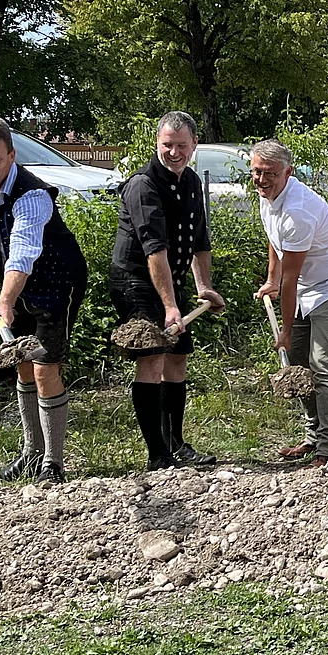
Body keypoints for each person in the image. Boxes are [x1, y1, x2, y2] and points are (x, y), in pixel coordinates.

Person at [0, 117, 88, 484]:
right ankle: (31, 454)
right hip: (14, 284)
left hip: (55, 282)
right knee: (21, 363)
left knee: (44, 367)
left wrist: (4, 297)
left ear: (12, 156)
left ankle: (53, 462)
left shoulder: (33, 195)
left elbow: (22, 251)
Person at [109, 111, 225, 471]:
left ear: (193, 146)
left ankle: (177, 443)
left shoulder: (189, 181)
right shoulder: (143, 185)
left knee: (177, 360)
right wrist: (170, 307)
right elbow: (153, 248)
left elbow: (199, 241)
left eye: (181, 146)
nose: (174, 152)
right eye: (167, 145)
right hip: (136, 282)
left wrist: (204, 287)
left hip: (171, 282)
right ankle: (157, 455)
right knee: (154, 357)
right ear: (157, 143)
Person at [252, 140, 328, 468]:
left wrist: (285, 331)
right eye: (256, 171)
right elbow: (276, 244)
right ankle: (312, 435)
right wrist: (271, 279)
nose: (261, 179)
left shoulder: (298, 211)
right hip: (304, 286)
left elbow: (292, 280)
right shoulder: (267, 198)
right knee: (298, 363)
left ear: (288, 172)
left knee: (322, 362)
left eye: (269, 173)